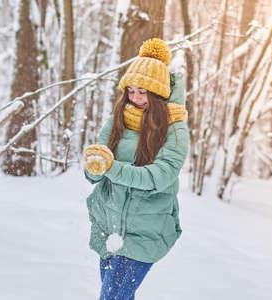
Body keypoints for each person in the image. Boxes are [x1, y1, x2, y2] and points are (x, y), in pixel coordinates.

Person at [83, 38, 189, 300]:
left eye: (143, 92)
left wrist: (111, 167)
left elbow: (159, 176)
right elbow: (94, 174)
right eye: (131, 90)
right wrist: (95, 167)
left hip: (145, 230)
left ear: (158, 93)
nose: (135, 97)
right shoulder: (117, 119)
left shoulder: (175, 128)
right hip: (109, 225)